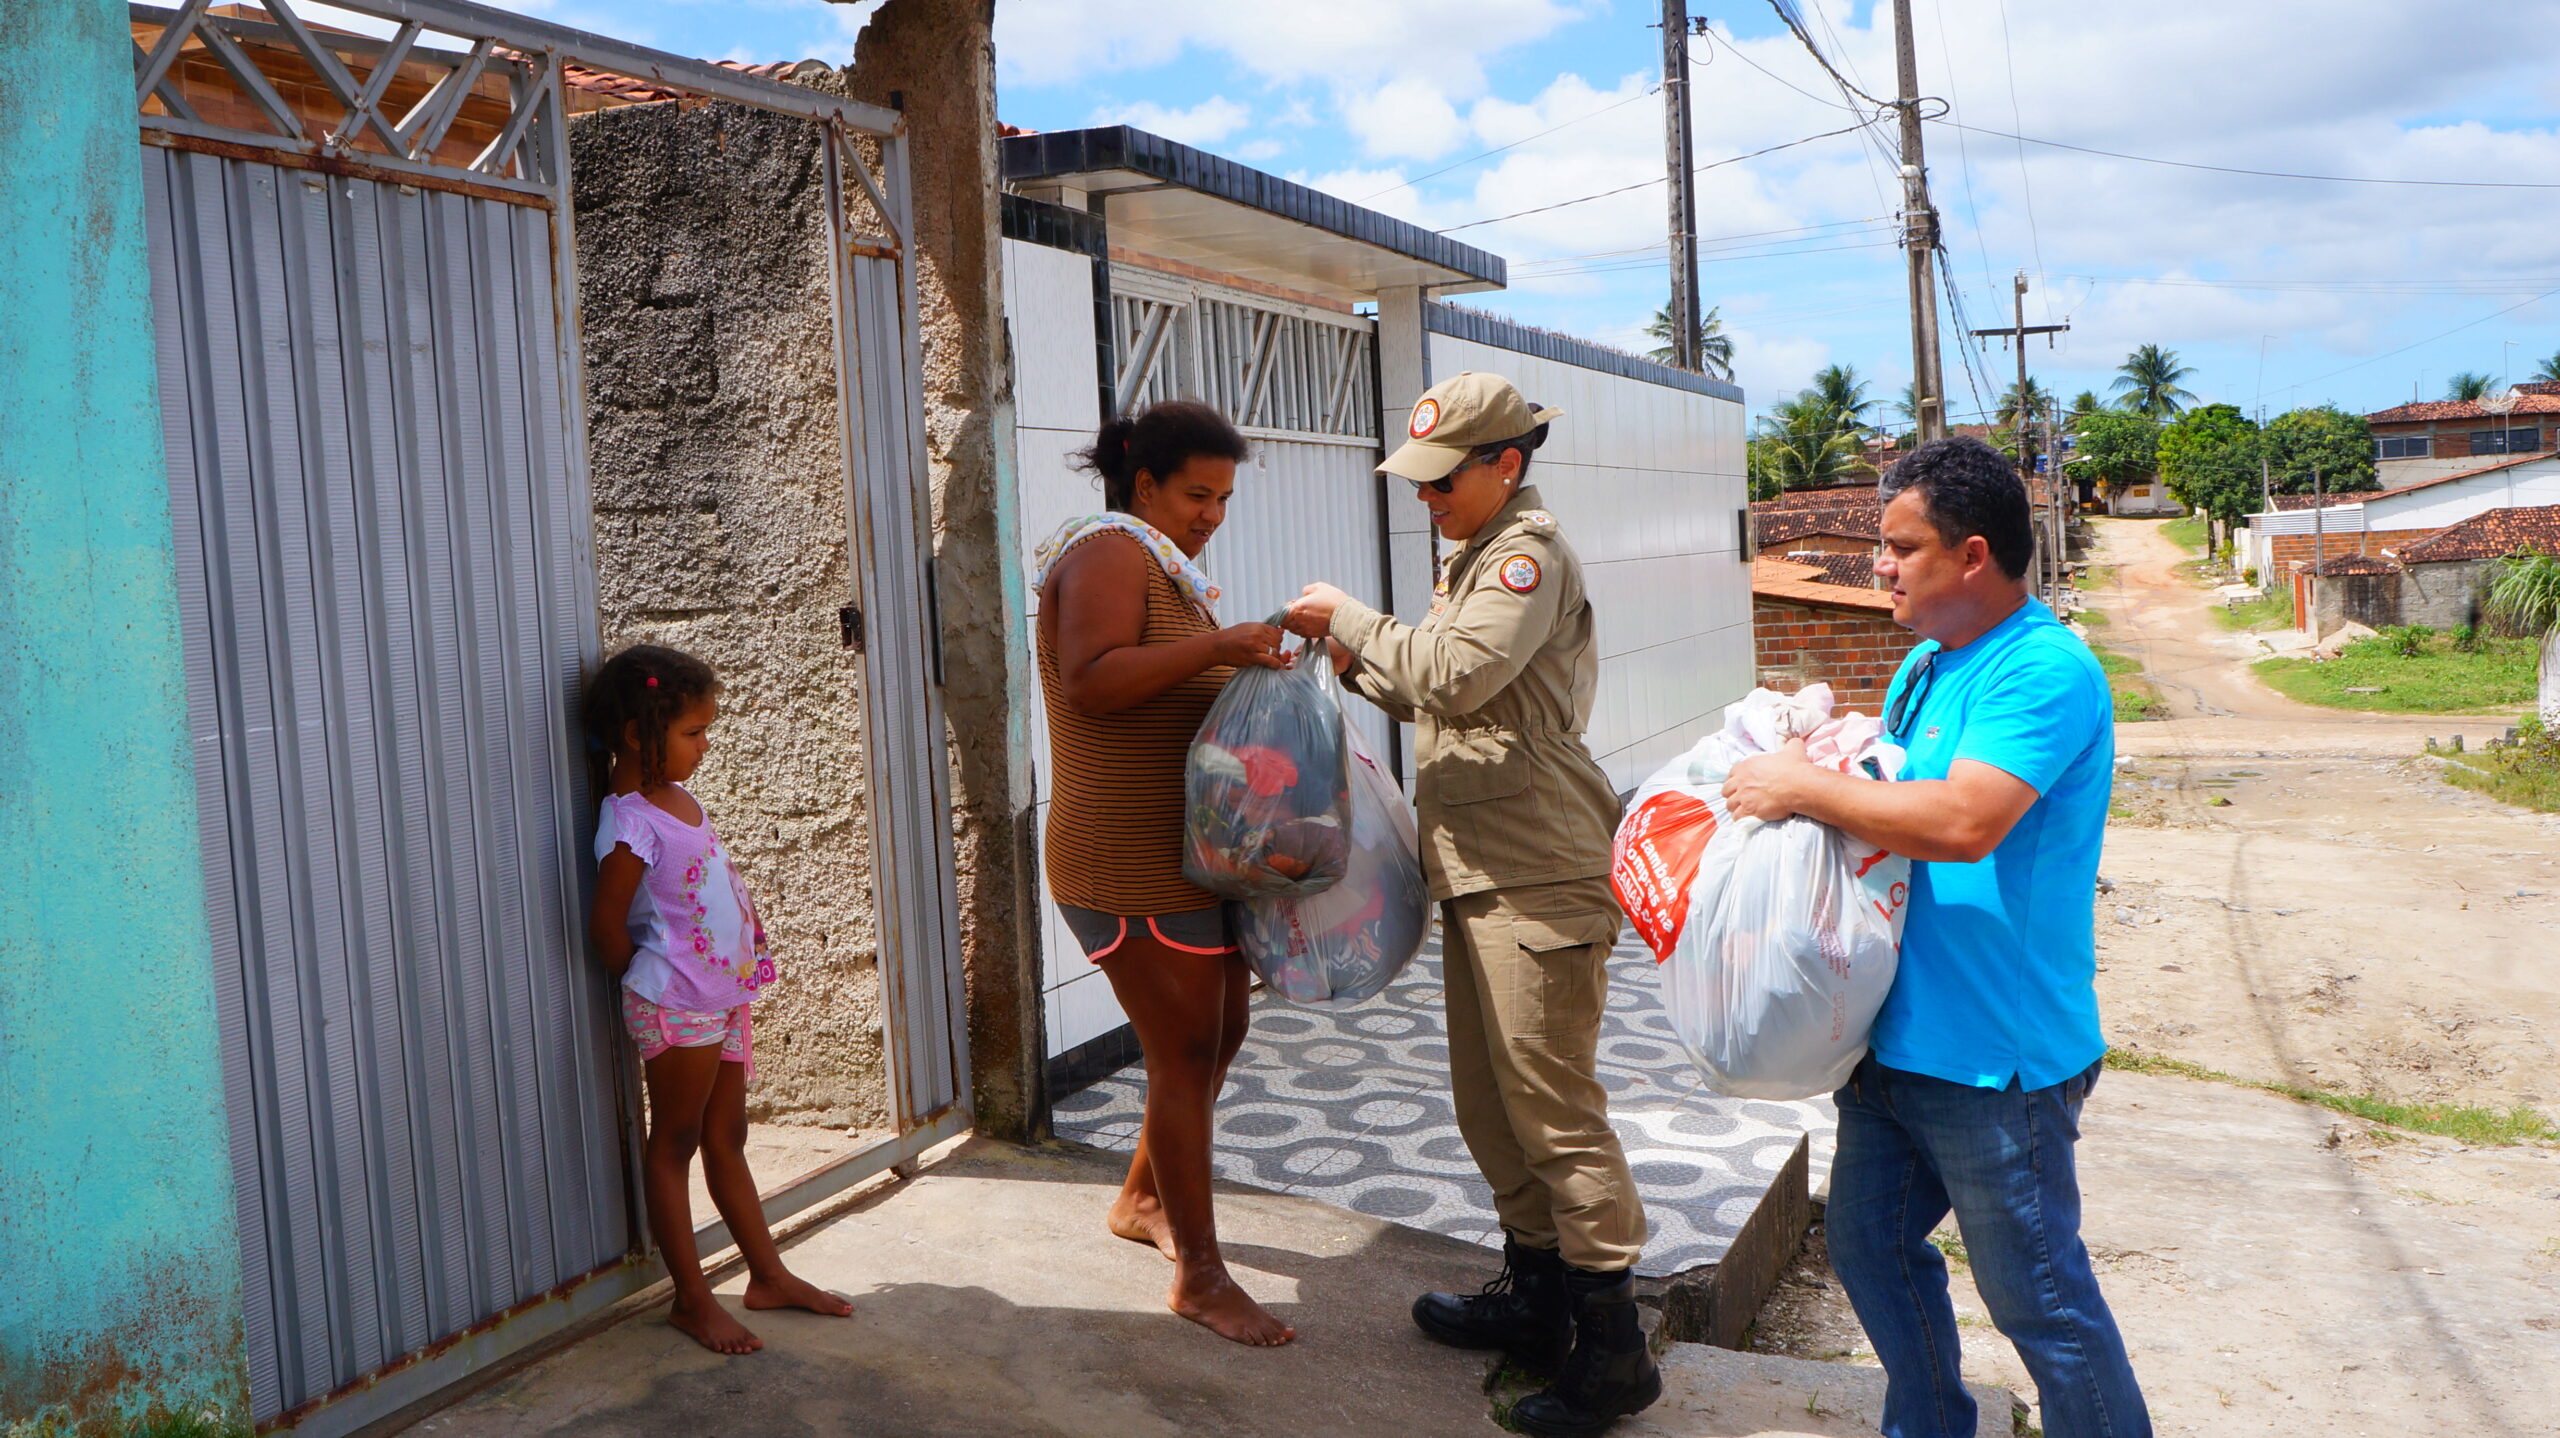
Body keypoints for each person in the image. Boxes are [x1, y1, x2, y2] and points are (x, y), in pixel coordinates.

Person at [1720, 435, 2150, 1438]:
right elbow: (1886, 790)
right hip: (1898, 1038)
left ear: (1972, 555)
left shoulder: (2042, 671)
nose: (1877, 563)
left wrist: (1799, 785)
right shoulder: (1924, 663)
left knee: (2039, 1301)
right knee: (1868, 1246)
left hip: (1995, 1061)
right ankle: (1929, 1424)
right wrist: (1810, 752)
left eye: (1900, 546)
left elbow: (1962, 823)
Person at [1283, 372, 1658, 1437]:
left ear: (1505, 465)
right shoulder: (1474, 556)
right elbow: (1432, 684)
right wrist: (1353, 659)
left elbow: (1454, 674)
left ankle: (1615, 1351)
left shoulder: (1526, 557)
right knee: (1490, 1106)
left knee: (1554, 1112)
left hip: (1538, 870)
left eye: (1441, 481)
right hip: (1480, 866)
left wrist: (1351, 615)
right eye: (1419, 483)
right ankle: (1536, 1302)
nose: (1426, 500)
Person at [1032, 400, 1295, 1347]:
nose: (1212, 514)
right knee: (1183, 1053)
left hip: (1184, 861)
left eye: (1224, 498)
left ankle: (1142, 1199)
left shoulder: (1167, 571)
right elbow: (1094, 678)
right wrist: (1225, 645)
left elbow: (1175, 688)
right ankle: (1199, 1274)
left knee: (1216, 1040)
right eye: (1197, 494)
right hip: (1124, 861)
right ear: (1144, 485)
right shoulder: (1109, 553)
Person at [585, 644, 853, 1354]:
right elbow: (608, 927)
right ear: (641, 735)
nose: (704, 747)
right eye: (693, 733)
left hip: (722, 998)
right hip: (679, 1005)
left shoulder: (679, 799)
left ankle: (767, 1276)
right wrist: (653, 987)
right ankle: (692, 1299)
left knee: (725, 1137)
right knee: (674, 1143)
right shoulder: (629, 819)